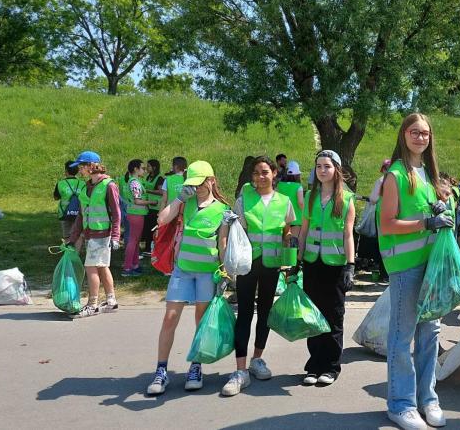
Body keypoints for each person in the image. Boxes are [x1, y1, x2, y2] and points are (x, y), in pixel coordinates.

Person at [379, 113, 452, 430]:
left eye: (425, 133)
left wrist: (442, 209)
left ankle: (428, 399)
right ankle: (400, 404)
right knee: (402, 337)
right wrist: (426, 222)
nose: (420, 137)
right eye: (414, 132)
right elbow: (387, 223)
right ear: (403, 135)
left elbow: (434, 214)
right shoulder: (396, 174)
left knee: (429, 336)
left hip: (431, 265)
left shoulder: (429, 175)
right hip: (406, 267)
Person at [146, 161, 231, 395]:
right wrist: (179, 199)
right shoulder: (185, 204)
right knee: (170, 318)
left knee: (200, 320)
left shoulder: (223, 209)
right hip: (182, 270)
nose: (196, 188)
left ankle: (196, 366)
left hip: (206, 272)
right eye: (192, 184)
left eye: (200, 183)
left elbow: (222, 244)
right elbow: (162, 219)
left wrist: (224, 272)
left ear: (211, 180)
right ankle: (161, 371)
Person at [221, 156, 296, 396]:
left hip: (272, 264)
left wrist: (290, 255)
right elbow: (236, 231)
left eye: (264, 172)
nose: (260, 177)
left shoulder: (284, 201)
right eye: (256, 173)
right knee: (244, 313)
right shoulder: (243, 200)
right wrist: (228, 262)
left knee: (265, 312)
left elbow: (288, 230)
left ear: (274, 173)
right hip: (247, 264)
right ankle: (240, 370)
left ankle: (257, 359)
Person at [296, 150, 356, 386]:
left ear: (336, 170)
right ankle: (313, 366)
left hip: (335, 266)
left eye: (327, 166)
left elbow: (348, 235)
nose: (322, 170)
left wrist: (350, 265)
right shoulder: (310, 196)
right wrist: (297, 260)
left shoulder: (347, 199)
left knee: (333, 317)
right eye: (319, 166)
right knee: (313, 317)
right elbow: (303, 231)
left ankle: (331, 367)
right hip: (312, 264)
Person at [66, 151, 122, 318]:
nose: (80, 170)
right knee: (101, 266)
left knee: (91, 267)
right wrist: (73, 237)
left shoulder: (109, 185)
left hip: (102, 234)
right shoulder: (86, 186)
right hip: (91, 233)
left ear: (91, 166)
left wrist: (116, 236)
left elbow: (116, 213)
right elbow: (81, 215)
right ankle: (111, 301)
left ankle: (93, 305)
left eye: (82, 167)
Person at [121, 159, 158, 277]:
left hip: (136, 214)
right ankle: (127, 268)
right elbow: (137, 201)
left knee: (135, 241)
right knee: (133, 241)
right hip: (135, 214)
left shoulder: (136, 181)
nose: (145, 170)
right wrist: (151, 202)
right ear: (136, 169)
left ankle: (134, 265)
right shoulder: (135, 182)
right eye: (142, 168)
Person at [54, 160, 85, 241]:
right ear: (77, 171)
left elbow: (56, 197)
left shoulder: (60, 183)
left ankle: (68, 251)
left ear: (66, 171)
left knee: (67, 236)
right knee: (78, 234)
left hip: (64, 214)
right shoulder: (83, 184)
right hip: (79, 213)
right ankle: (76, 251)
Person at [277, 160, 305, 239]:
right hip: (297, 219)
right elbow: (300, 203)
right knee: (294, 242)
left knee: (284, 242)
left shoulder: (279, 185)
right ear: (297, 175)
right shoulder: (298, 186)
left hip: (282, 218)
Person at [142, 159, 164, 255]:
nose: (147, 168)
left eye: (149, 166)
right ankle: (147, 248)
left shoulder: (159, 178)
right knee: (147, 227)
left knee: (153, 228)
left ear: (154, 167)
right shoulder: (148, 177)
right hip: (148, 206)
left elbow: (161, 192)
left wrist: (147, 191)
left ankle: (153, 249)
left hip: (156, 207)